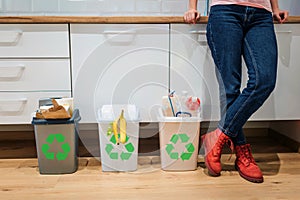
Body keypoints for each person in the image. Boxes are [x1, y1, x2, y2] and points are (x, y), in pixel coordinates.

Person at [184, 0, 288, 183]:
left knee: (264, 81)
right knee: (229, 88)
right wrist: (192, 7)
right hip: (225, 10)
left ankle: (217, 136)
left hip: (261, 14)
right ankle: (241, 151)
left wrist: (275, 8)